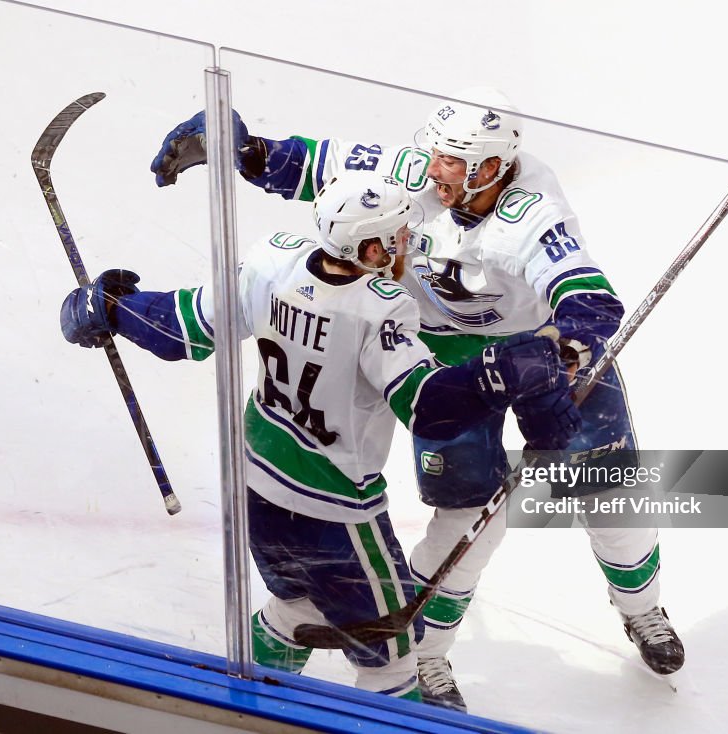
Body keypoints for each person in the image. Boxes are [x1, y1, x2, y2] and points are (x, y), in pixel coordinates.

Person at [150, 88, 684, 711]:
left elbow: (588, 299)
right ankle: (427, 653)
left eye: (456, 161)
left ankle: (642, 608)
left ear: (495, 166)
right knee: (470, 520)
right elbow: (316, 166)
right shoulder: (414, 173)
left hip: (540, 345)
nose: (437, 169)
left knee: (610, 492)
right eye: (437, 154)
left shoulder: (533, 212)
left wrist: (561, 354)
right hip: (442, 357)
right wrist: (244, 151)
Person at [59, 171, 577, 703]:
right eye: (399, 238)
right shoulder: (381, 306)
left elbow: (181, 327)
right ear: (371, 249)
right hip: (334, 513)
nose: (409, 247)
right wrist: (500, 371)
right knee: (391, 654)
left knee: (299, 605)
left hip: (255, 486)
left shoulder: (274, 259)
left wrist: (114, 309)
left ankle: (247, 713)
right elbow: (427, 409)